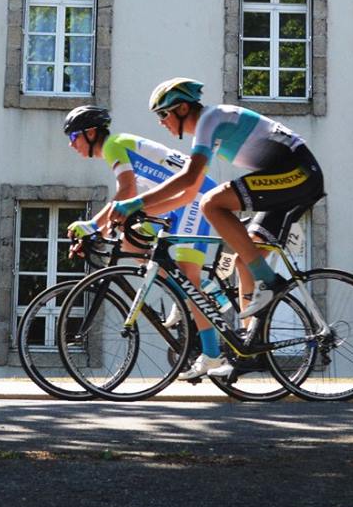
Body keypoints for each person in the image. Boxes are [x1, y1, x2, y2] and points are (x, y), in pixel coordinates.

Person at [117, 79, 324, 378]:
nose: (161, 122)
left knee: (213, 203)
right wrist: (143, 211)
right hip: (285, 177)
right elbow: (188, 193)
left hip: (299, 174)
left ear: (183, 108)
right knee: (242, 258)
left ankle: (270, 281)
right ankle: (250, 345)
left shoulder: (210, 120)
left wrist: (134, 202)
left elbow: (190, 181)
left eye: (163, 114)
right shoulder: (209, 127)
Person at [64, 103, 221, 381]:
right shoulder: (117, 147)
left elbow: (127, 191)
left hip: (194, 198)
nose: (71, 145)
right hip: (177, 201)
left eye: (73, 137)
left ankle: (211, 353)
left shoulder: (113, 144)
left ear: (90, 133)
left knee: (189, 280)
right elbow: (125, 206)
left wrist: (91, 225)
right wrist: (98, 233)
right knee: (130, 243)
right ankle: (179, 291)